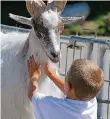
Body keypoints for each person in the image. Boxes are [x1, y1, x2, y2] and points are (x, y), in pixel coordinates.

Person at [27, 55, 104, 119]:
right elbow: (73, 90)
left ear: (68, 87)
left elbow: (32, 95)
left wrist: (34, 76)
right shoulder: (91, 100)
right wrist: (52, 75)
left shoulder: (56, 107)